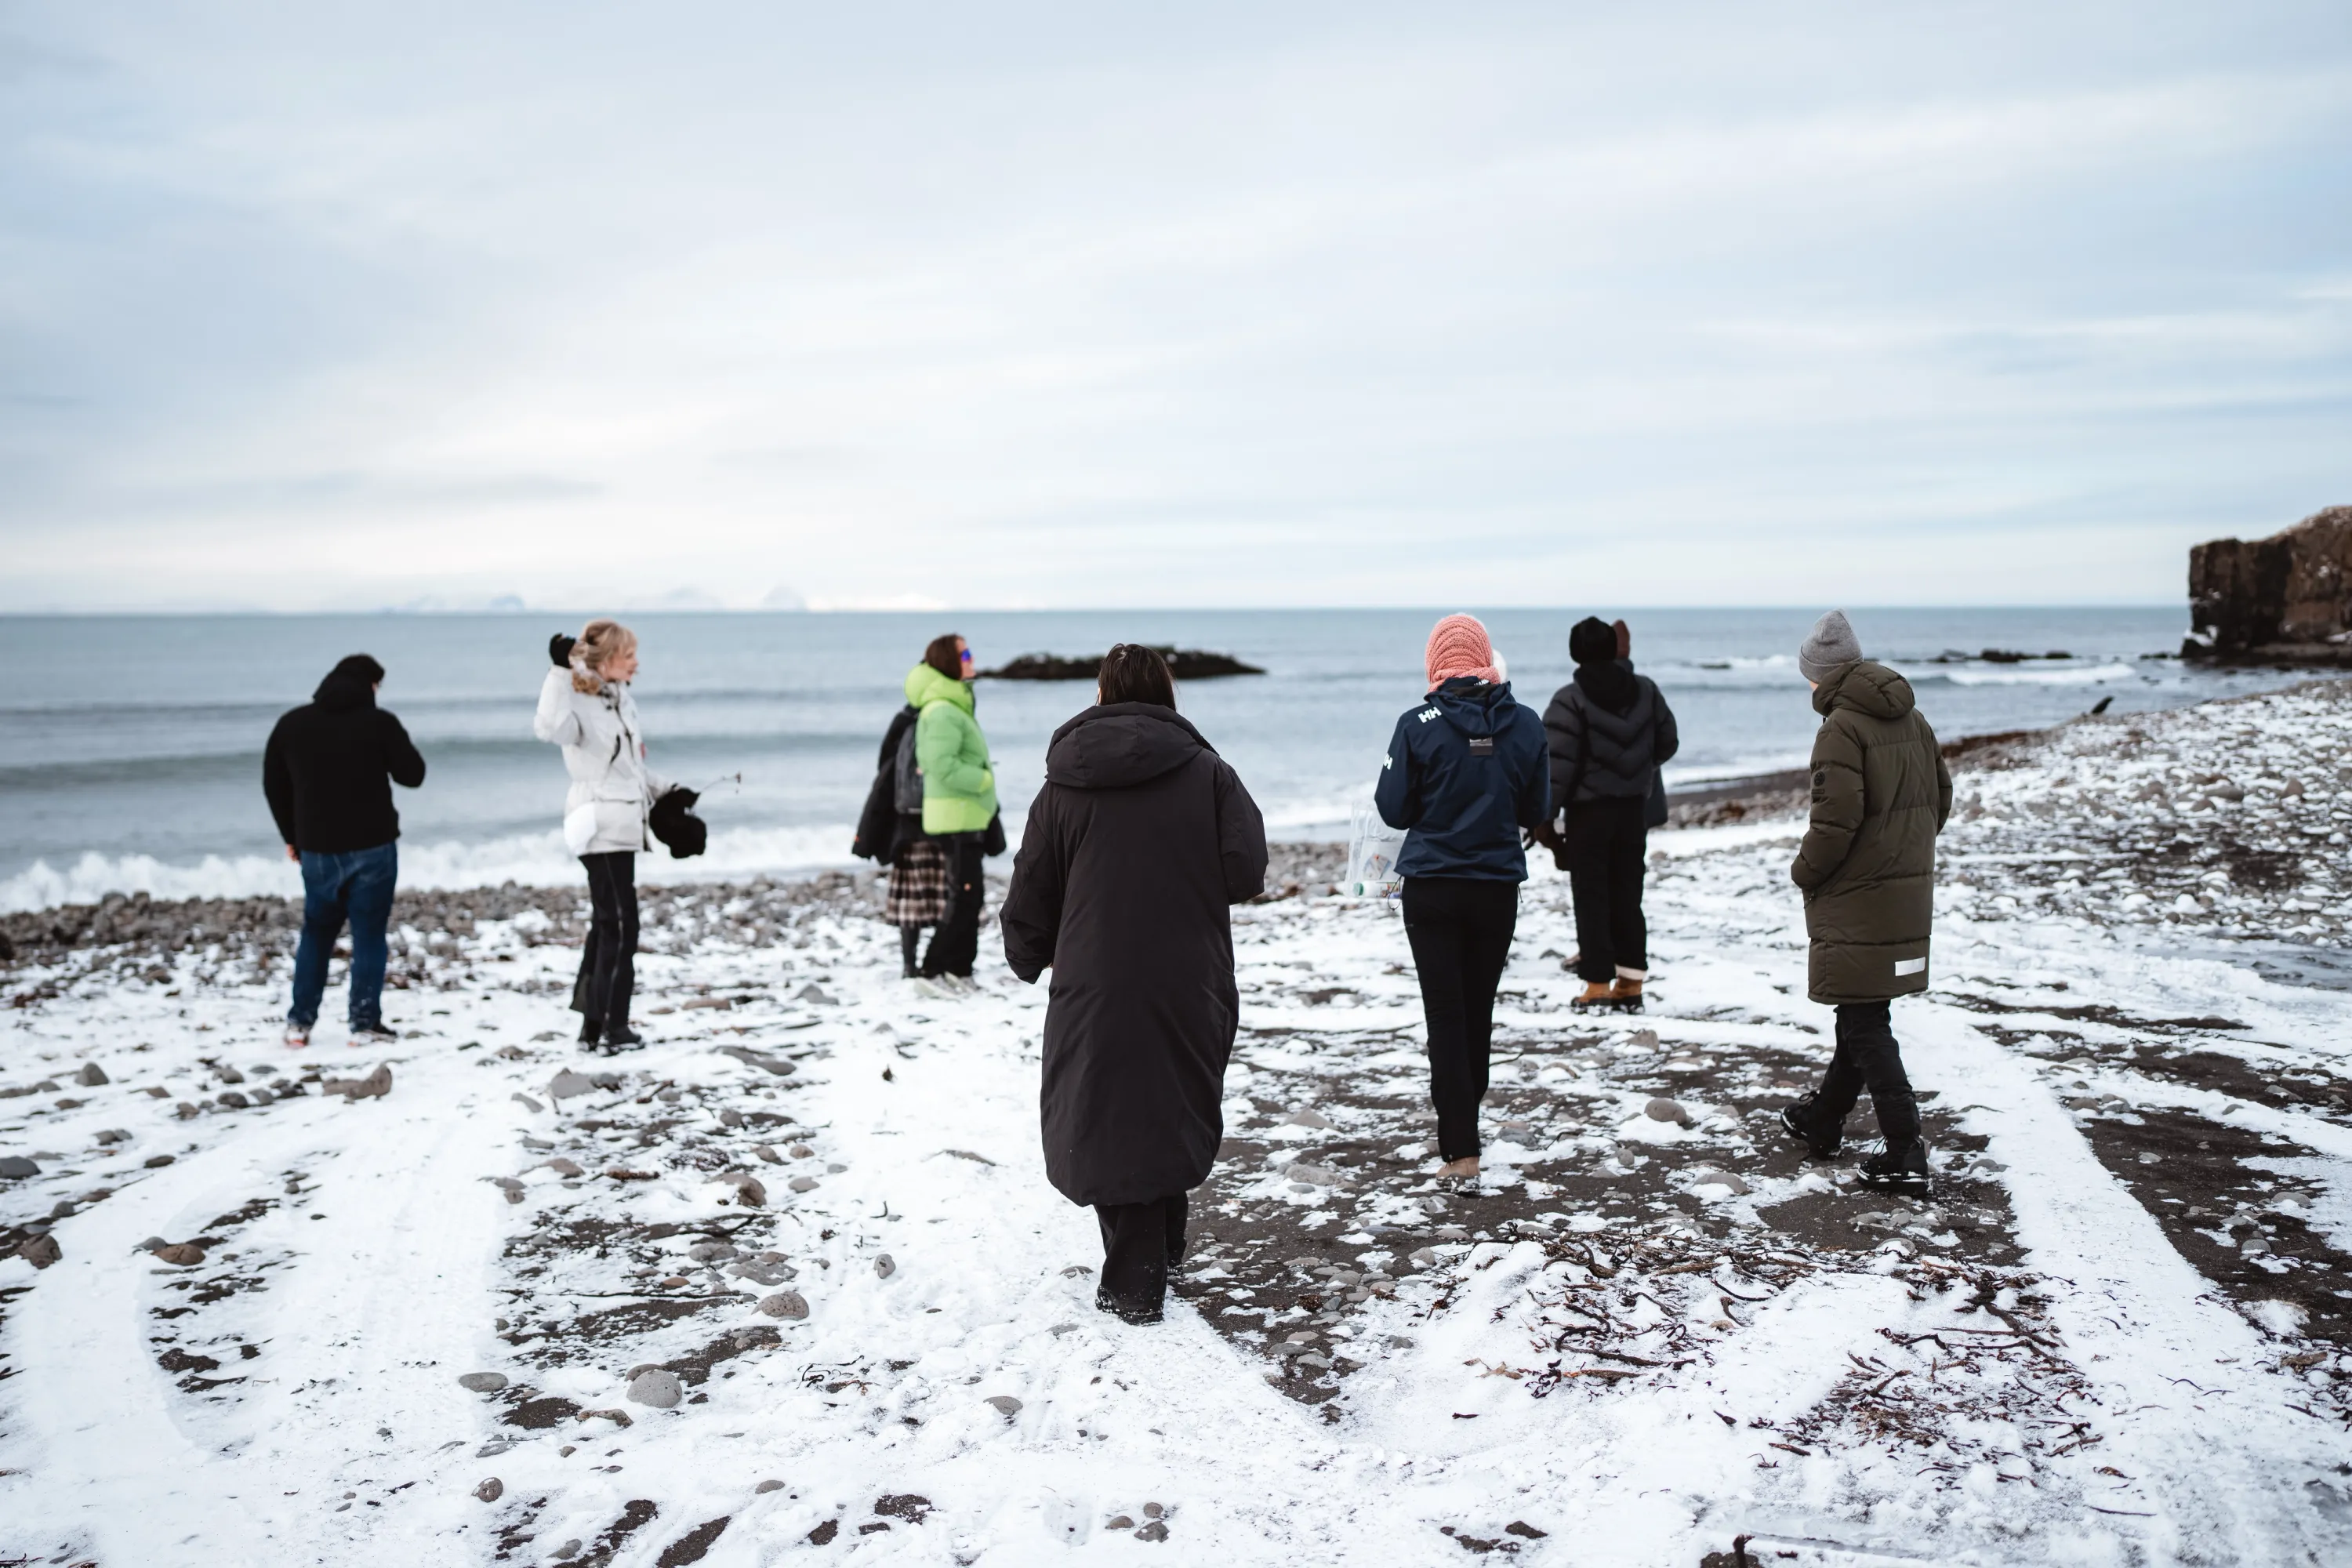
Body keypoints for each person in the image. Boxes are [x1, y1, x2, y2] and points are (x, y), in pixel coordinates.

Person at [1001, 644, 1268, 1324]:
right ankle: (1156, 1250)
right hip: (1189, 969)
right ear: (1166, 694)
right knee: (1169, 1095)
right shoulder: (1208, 772)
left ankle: (1137, 1276)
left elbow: (1033, 884)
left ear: (1100, 694)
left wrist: (1026, 951)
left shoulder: (1063, 783)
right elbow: (1246, 871)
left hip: (1094, 973)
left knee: (1104, 1109)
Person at [1777, 610, 1952, 1196]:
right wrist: (1904, 851)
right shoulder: (1913, 717)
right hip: (1904, 885)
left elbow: (1834, 823)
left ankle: (1905, 1149)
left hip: (1858, 891)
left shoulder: (1841, 728)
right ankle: (1822, 1118)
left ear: (1822, 676)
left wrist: (1806, 872)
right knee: (1862, 1008)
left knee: (1864, 1019)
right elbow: (1941, 797)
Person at [1375, 614, 1549, 1181]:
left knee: (1445, 1014)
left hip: (1433, 888)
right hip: (1496, 887)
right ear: (1484, 658)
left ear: (1436, 663)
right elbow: (1537, 811)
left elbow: (1393, 808)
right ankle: (1466, 1125)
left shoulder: (1416, 723)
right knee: (1478, 1009)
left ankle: (1461, 1148)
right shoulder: (1525, 724)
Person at [263, 654, 426, 1047]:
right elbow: (414, 775)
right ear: (369, 685)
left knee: (317, 933)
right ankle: (364, 1023)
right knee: (369, 936)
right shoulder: (380, 723)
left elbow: (274, 785)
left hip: (317, 850)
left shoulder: (292, 724)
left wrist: (292, 836)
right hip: (373, 848)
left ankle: (299, 1024)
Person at [535, 620, 670, 1053]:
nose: (636, 663)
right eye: (628, 655)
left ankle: (595, 1026)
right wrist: (558, 673)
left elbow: (628, 769)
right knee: (620, 926)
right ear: (608, 658)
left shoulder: (618, 700)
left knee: (608, 925)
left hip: (623, 823)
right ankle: (613, 1027)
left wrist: (669, 791)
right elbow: (549, 729)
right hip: (598, 826)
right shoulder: (576, 696)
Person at [1541, 615, 1679, 1011]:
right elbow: (1668, 742)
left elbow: (1558, 766)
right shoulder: (1646, 691)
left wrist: (1545, 815)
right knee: (1627, 894)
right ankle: (1631, 985)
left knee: (1591, 895)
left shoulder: (1569, 699)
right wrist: (1637, 768)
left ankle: (1598, 984)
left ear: (1575, 652)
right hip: (1632, 810)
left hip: (1588, 814)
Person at [904, 633, 998, 996]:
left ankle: (960, 969)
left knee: (970, 897)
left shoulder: (953, 703)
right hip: (955, 818)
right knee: (963, 897)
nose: (973, 658)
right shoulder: (941, 709)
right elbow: (939, 764)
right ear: (949, 660)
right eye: (966, 653)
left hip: (966, 816)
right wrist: (984, 779)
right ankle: (930, 972)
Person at [850, 691, 949, 977]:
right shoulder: (939, 716)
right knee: (946, 898)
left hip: (905, 824)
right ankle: (932, 964)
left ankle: (910, 965)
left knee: (912, 903)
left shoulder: (905, 718)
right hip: (933, 819)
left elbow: (884, 764)